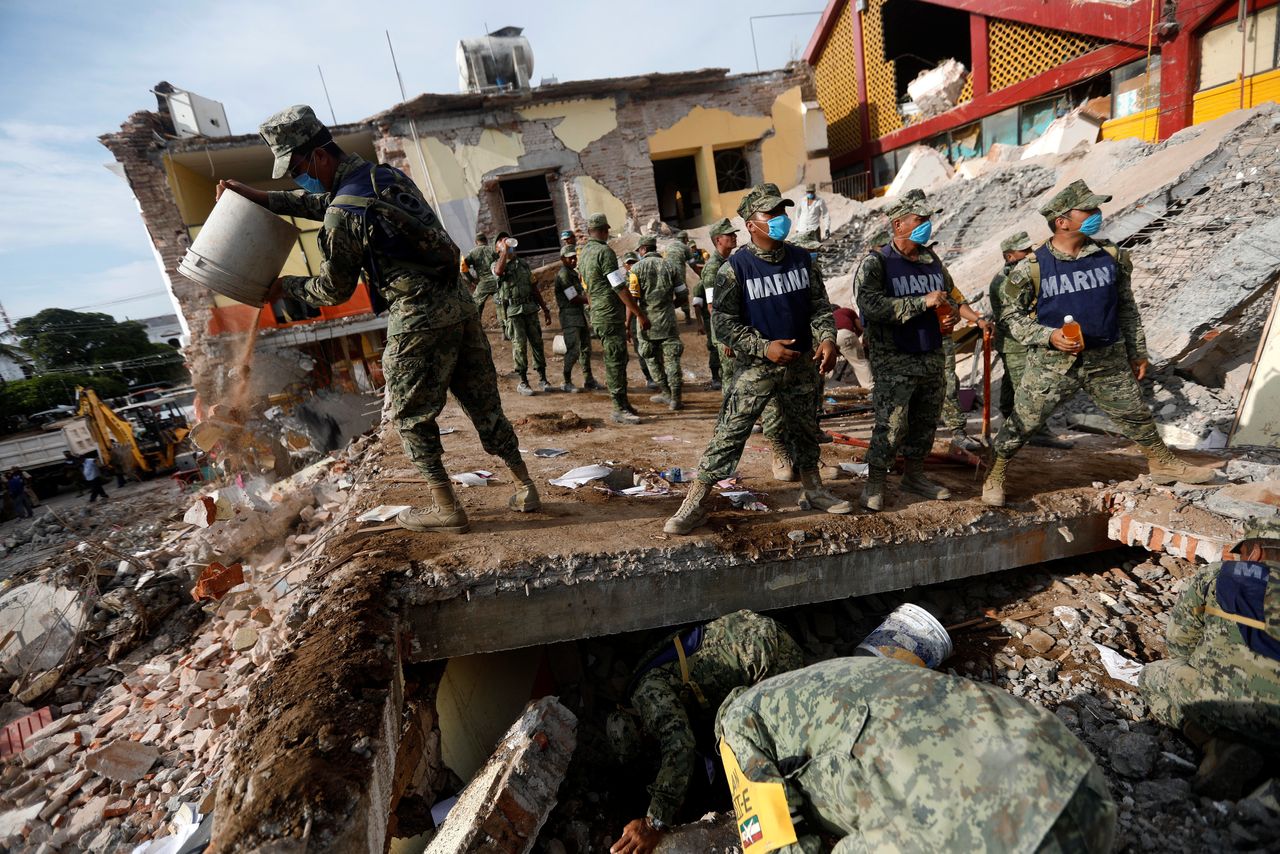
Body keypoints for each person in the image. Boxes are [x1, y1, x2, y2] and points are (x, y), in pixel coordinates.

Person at [220, 105, 540, 534]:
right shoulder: (384, 177)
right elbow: (324, 202)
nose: (297, 177)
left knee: (409, 416)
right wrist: (260, 197)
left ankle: (446, 507)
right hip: (458, 306)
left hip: (417, 318)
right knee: (484, 404)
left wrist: (286, 287)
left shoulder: (342, 215)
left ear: (317, 155)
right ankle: (526, 485)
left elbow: (331, 290)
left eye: (296, 167)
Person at [715, 656, 1116, 854]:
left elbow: (774, 841)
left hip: (1001, 838)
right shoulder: (838, 672)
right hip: (1083, 787)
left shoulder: (735, 723)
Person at [982, 180, 1216, 506]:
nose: (1096, 214)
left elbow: (1126, 307)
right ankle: (996, 472)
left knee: (1134, 414)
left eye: (1096, 208)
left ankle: (1161, 462)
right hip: (1053, 363)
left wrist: (1137, 350)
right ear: (1062, 221)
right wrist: (1047, 336)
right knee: (1024, 421)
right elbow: (1010, 318)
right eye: (1088, 210)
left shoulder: (1111, 256)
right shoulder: (1032, 267)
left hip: (1106, 357)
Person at [664, 183, 849, 535]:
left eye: (783, 213)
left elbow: (819, 307)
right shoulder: (735, 269)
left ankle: (813, 489)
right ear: (752, 224)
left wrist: (827, 338)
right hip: (756, 368)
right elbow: (723, 324)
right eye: (772, 214)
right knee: (730, 434)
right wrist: (764, 347)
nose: (781, 219)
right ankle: (695, 503)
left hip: (801, 365)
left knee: (806, 428)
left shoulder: (802, 260)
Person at [607, 610, 803, 854]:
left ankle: (792, 821)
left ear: (639, 726)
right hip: (757, 633)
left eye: (647, 739)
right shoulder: (643, 681)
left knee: (765, 747)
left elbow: (680, 744)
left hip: (769, 655)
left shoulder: (647, 696)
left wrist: (654, 820)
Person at [854, 188, 990, 511]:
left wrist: (952, 316)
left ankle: (914, 475)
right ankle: (875, 481)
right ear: (898, 224)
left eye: (928, 219)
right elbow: (869, 305)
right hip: (895, 358)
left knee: (926, 419)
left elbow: (949, 297)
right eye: (920, 219)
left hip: (931, 354)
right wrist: (920, 303)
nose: (927, 225)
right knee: (893, 422)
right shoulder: (878, 263)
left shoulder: (932, 260)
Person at [1138, 522, 1280, 799]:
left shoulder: (1215, 576)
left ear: (1256, 553)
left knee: (1150, 677)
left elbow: (1179, 645)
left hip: (1220, 702)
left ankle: (1214, 743)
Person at [989, 231, 1072, 449]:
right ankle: (1036, 432)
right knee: (1028, 390)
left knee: (1011, 385)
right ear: (1009, 256)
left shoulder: (1026, 273)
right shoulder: (1004, 281)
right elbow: (1015, 316)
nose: (1030, 253)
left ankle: (1009, 419)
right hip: (1015, 343)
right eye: (1024, 251)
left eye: (1029, 249)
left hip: (1021, 341)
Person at [578, 213, 650, 425]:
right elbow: (618, 286)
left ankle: (624, 403)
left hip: (599, 313)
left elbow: (587, 288)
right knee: (615, 360)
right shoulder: (604, 252)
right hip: (609, 313)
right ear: (603, 230)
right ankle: (619, 408)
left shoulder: (584, 254)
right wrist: (638, 314)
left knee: (617, 358)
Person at [493, 231, 553, 395]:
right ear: (498, 248)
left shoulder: (523, 264)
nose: (508, 244)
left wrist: (545, 309)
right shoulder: (496, 265)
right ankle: (523, 382)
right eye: (502, 242)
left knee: (537, 343)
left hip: (530, 309)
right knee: (519, 346)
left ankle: (543, 378)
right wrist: (504, 252)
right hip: (513, 313)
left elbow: (534, 287)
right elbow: (498, 272)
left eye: (508, 241)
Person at [631, 235, 685, 410]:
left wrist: (633, 319)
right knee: (672, 360)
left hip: (646, 323)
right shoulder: (671, 267)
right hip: (668, 322)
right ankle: (676, 398)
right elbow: (683, 295)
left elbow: (632, 299)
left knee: (651, 358)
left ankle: (665, 393)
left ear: (643, 249)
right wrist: (669, 306)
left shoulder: (636, 269)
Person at [691, 219, 734, 391]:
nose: (734, 236)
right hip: (726, 333)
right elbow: (712, 306)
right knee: (731, 380)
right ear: (718, 240)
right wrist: (726, 337)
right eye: (729, 234)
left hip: (734, 329)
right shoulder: (712, 267)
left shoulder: (727, 262)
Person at [555, 246, 599, 393]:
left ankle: (589, 380)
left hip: (579, 315)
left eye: (575, 257)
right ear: (563, 259)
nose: (573, 260)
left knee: (586, 348)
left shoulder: (573, 274)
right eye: (570, 258)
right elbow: (573, 297)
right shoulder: (564, 275)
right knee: (573, 350)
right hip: (569, 317)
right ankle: (566, 381)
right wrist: (592, 300)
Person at [462, 232, 505, 339]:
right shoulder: (492, 249)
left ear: (476, 242)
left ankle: (476, 332)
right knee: (501, 306)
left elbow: (463, 267)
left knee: (476, 306)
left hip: (483, 283)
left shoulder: (472, 252)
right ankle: (505, 332)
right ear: (485, 240)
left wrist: (471, 280)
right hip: (496, 282)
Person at [832, 306, 874, 389]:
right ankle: (871, 388)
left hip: (832, 337)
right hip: (845, 334)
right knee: (860, 362)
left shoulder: (831, 315)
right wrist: (856, 341)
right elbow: (860, 328)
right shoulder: (848, 311)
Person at [664, 230, 694, 323]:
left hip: (666, 272)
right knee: (683, 294)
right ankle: (687, 317)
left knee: (668, 293)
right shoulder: (686, 247)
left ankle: (668, 315)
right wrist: (700, 274)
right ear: (685, 239)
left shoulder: (668, 246)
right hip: (679, 274)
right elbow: (692, 264)